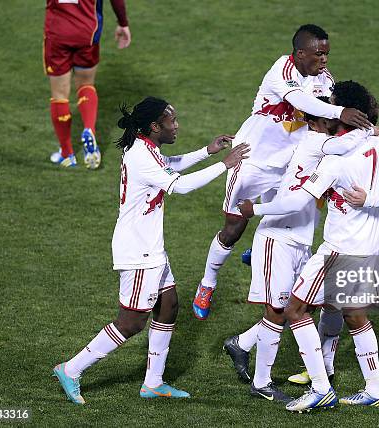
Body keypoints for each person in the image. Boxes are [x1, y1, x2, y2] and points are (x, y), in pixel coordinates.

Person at [52, 96, 249, 404]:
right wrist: (225, 164)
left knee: (168, 305)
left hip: (150, 247)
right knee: (131, 322)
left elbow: (169, 166)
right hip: (138, 251)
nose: (177, 126)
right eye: (172, 121)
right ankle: (71, 369)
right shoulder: (142, 156)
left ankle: (153, 383)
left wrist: (207, 152)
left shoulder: (146, 147)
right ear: (155, 126)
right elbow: (179, 185)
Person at [193, 24, 379, 320]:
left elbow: (338, 111)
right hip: (253, 158)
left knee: (289, 219)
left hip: (291, 162)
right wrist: (337, 112)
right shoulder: (282, 70)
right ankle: (208, 282)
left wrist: (371, 128)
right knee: (234, 226)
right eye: (319, 54)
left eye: (328, 54)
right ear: (300, 53)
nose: (325, 60)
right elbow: (301, 102)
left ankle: (262, 255)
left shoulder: (324, 80)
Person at [238, 81, 379, 412]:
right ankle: (374, 389)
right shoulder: (378, 145)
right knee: (354, 314)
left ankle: (321, 388)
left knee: (295, 310)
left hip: (337, 250)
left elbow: (298, 199)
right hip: (367, 248)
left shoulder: (335, 158)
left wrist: (256, 209)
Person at [223, 99, 336, 403]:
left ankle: (242, 343)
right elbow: (294, 200)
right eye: (331, 118)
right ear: (317, 122)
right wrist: (254, 207)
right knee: (277, 310)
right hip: (278, 238)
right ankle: (261, 383)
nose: (338, 123)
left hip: (300, 240)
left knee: (302, 307)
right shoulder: (318, 144)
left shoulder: (318, 142)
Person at [44, 0, 132, 169]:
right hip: (87, 33)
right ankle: (89, 129)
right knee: (86, 84)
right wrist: (123, 23)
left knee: (59, 94)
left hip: (57, 34)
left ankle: (66, 154)